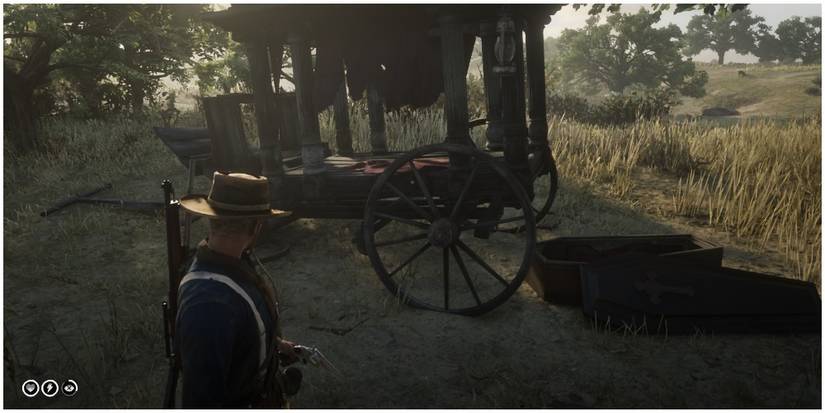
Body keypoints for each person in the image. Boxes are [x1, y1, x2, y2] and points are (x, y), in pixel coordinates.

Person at [175, 171, 297, 408]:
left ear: (211, 219)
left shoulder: (233, 263)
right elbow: (203, 401)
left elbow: (238, 331)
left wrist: (273, 343)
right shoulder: (209, 305)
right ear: (257, 227)